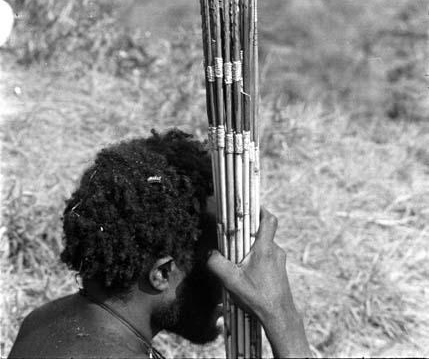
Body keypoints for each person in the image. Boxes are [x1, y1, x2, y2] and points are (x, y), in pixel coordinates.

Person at [8, 129, 310, 359]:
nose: (238, 284)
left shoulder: (44, 321)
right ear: (163, 273)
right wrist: (282, 316)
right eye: (226, 257)